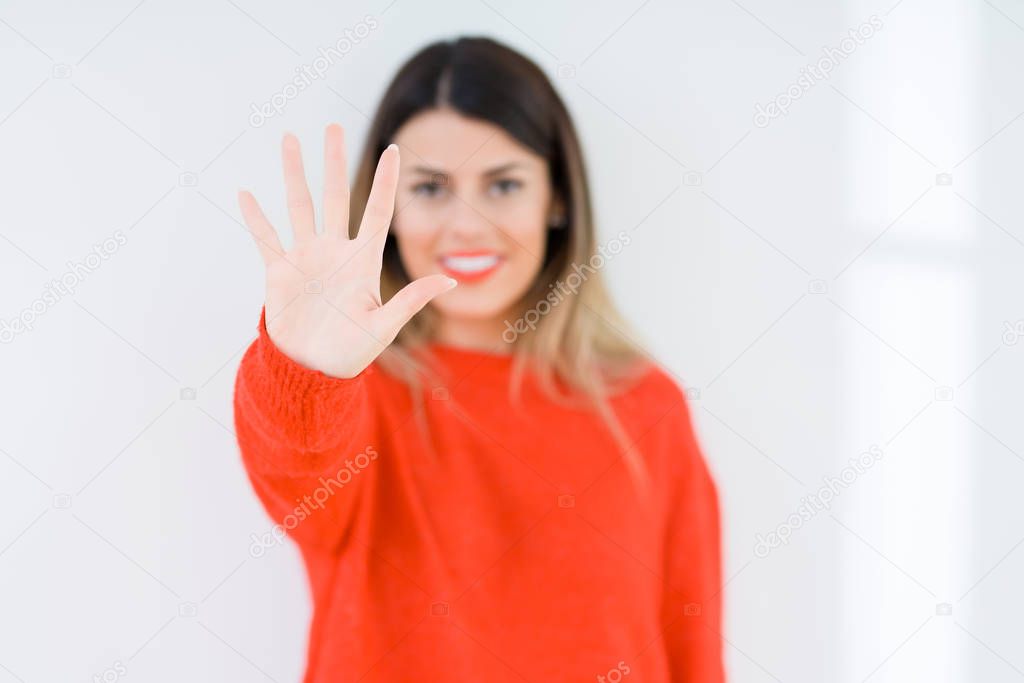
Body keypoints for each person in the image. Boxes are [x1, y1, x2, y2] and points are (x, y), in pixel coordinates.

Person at [233, 36, 725, 682]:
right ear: (389, 210)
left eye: (503, 185)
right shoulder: (356, 393)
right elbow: (295, 468)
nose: (466, 225)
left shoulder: (646, 405)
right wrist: (305, 369)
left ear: (556, 200)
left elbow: (691, 647)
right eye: (432, 187)